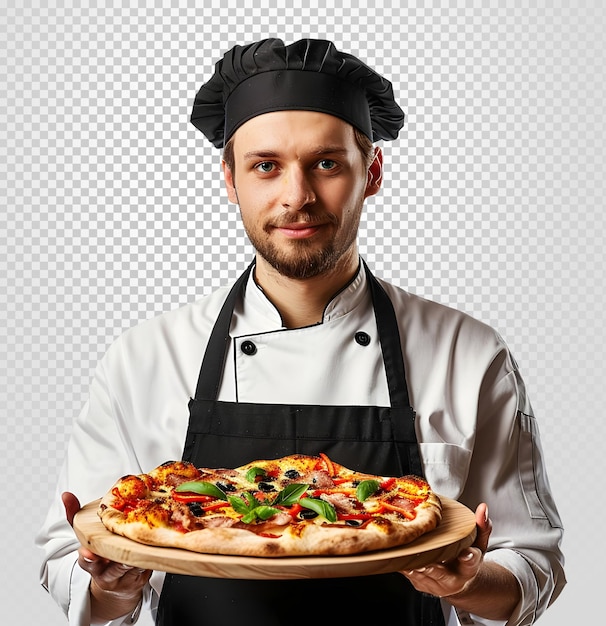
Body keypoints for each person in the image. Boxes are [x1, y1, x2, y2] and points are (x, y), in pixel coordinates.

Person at [37, 38, 565, 626]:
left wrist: (464, 582)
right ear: (231, 180)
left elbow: (531, 566)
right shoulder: (142, 358)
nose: (298, 197)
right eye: (266, 166)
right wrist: (113, 584)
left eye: (327, 163)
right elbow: (68, 566)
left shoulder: (468, 354)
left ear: (373, 172)